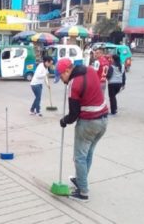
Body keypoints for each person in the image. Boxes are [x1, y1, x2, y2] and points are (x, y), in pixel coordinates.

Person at [56, 58, 108, 202]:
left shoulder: (74, 84)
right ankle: (81, 180)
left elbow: (73, 115)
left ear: (67, 71)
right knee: (88, 154)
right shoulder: (90, 70)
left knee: (79, 157)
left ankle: (83, 192)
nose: (62, 81)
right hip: (103, 120)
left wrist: (63, 120)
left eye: (61, 77)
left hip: (89, 123)